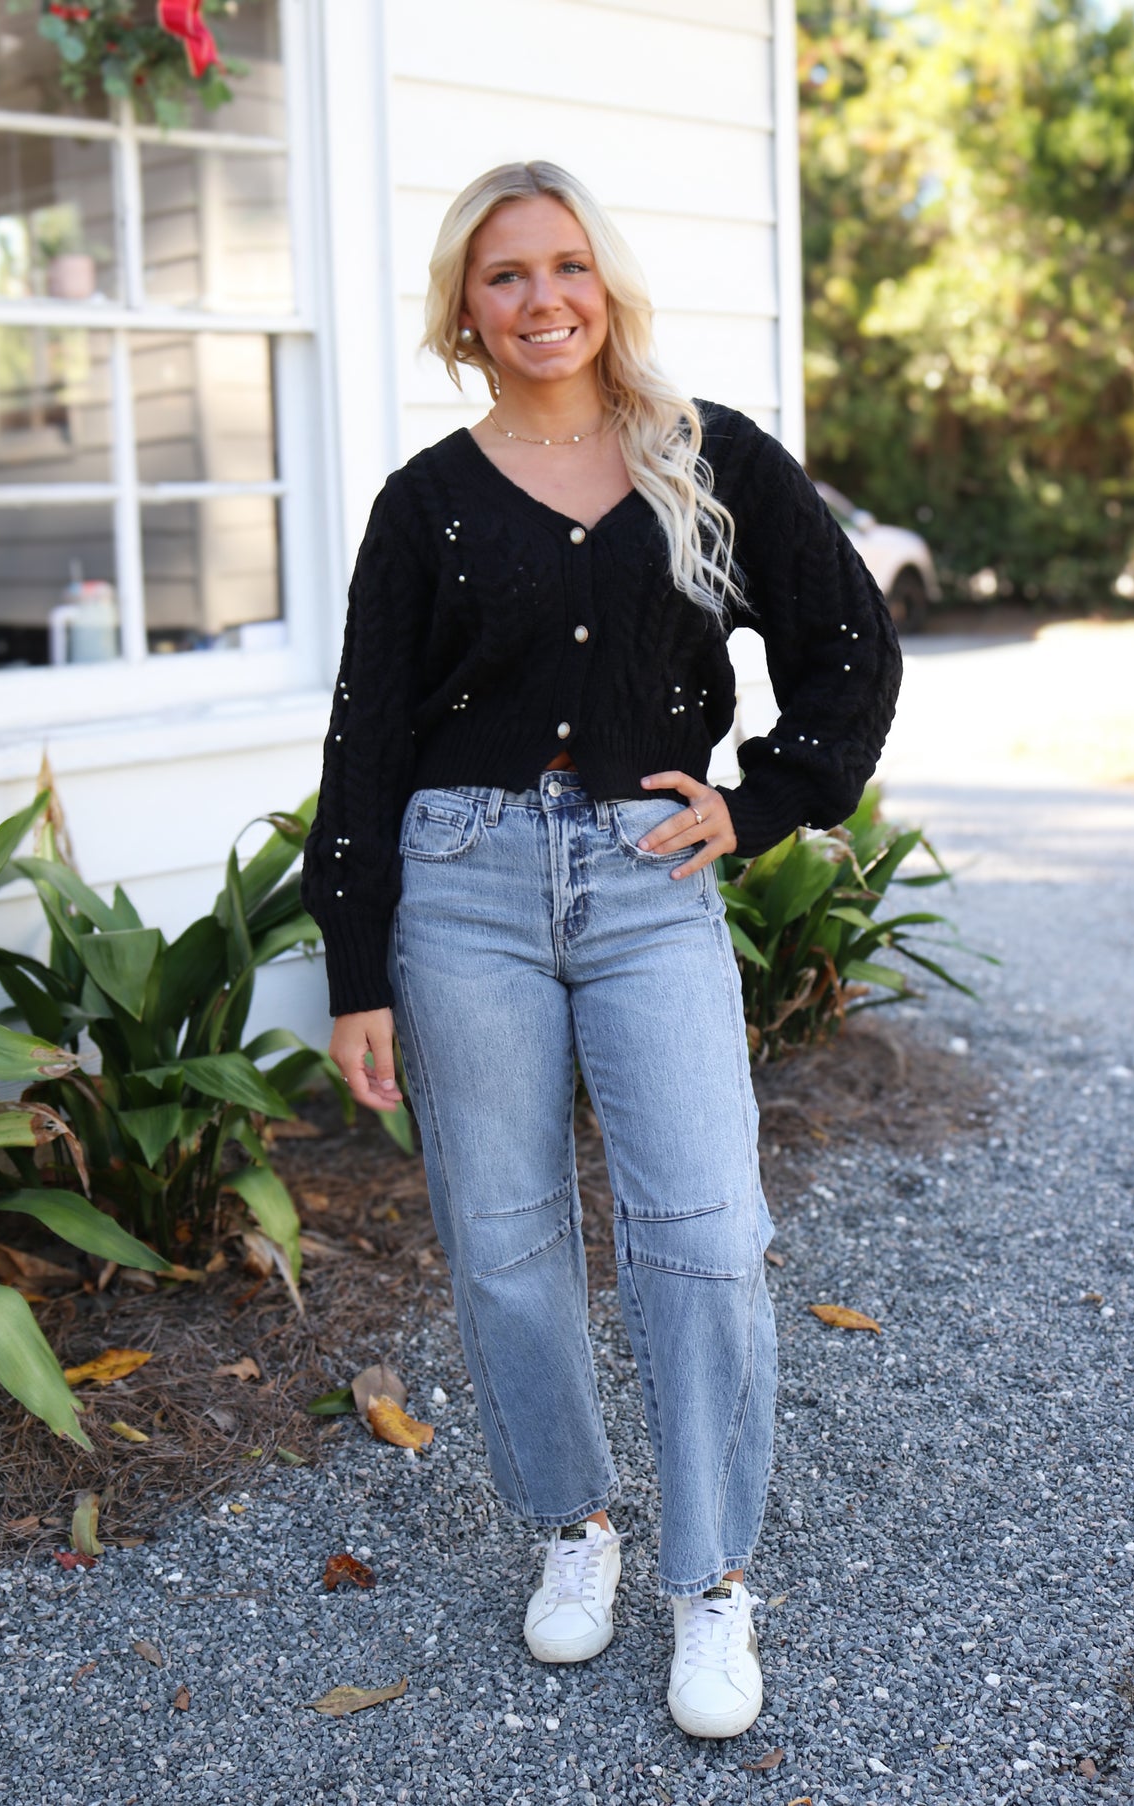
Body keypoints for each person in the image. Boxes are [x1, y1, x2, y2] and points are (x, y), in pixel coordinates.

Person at [301, 160, 901, 1740]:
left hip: (646, 888)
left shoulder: (709, 460)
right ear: (463, 308)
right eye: (504, 275)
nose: (541, 297)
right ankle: (574, 1527)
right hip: (462, 886)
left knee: (702, 1226)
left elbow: (848, 641)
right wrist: (355, 964)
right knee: (502, 1237)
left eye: (566, 264)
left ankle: (710, 1578)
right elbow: (364, 741)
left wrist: (764, 797)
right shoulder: (425, 501)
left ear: (606, 282)